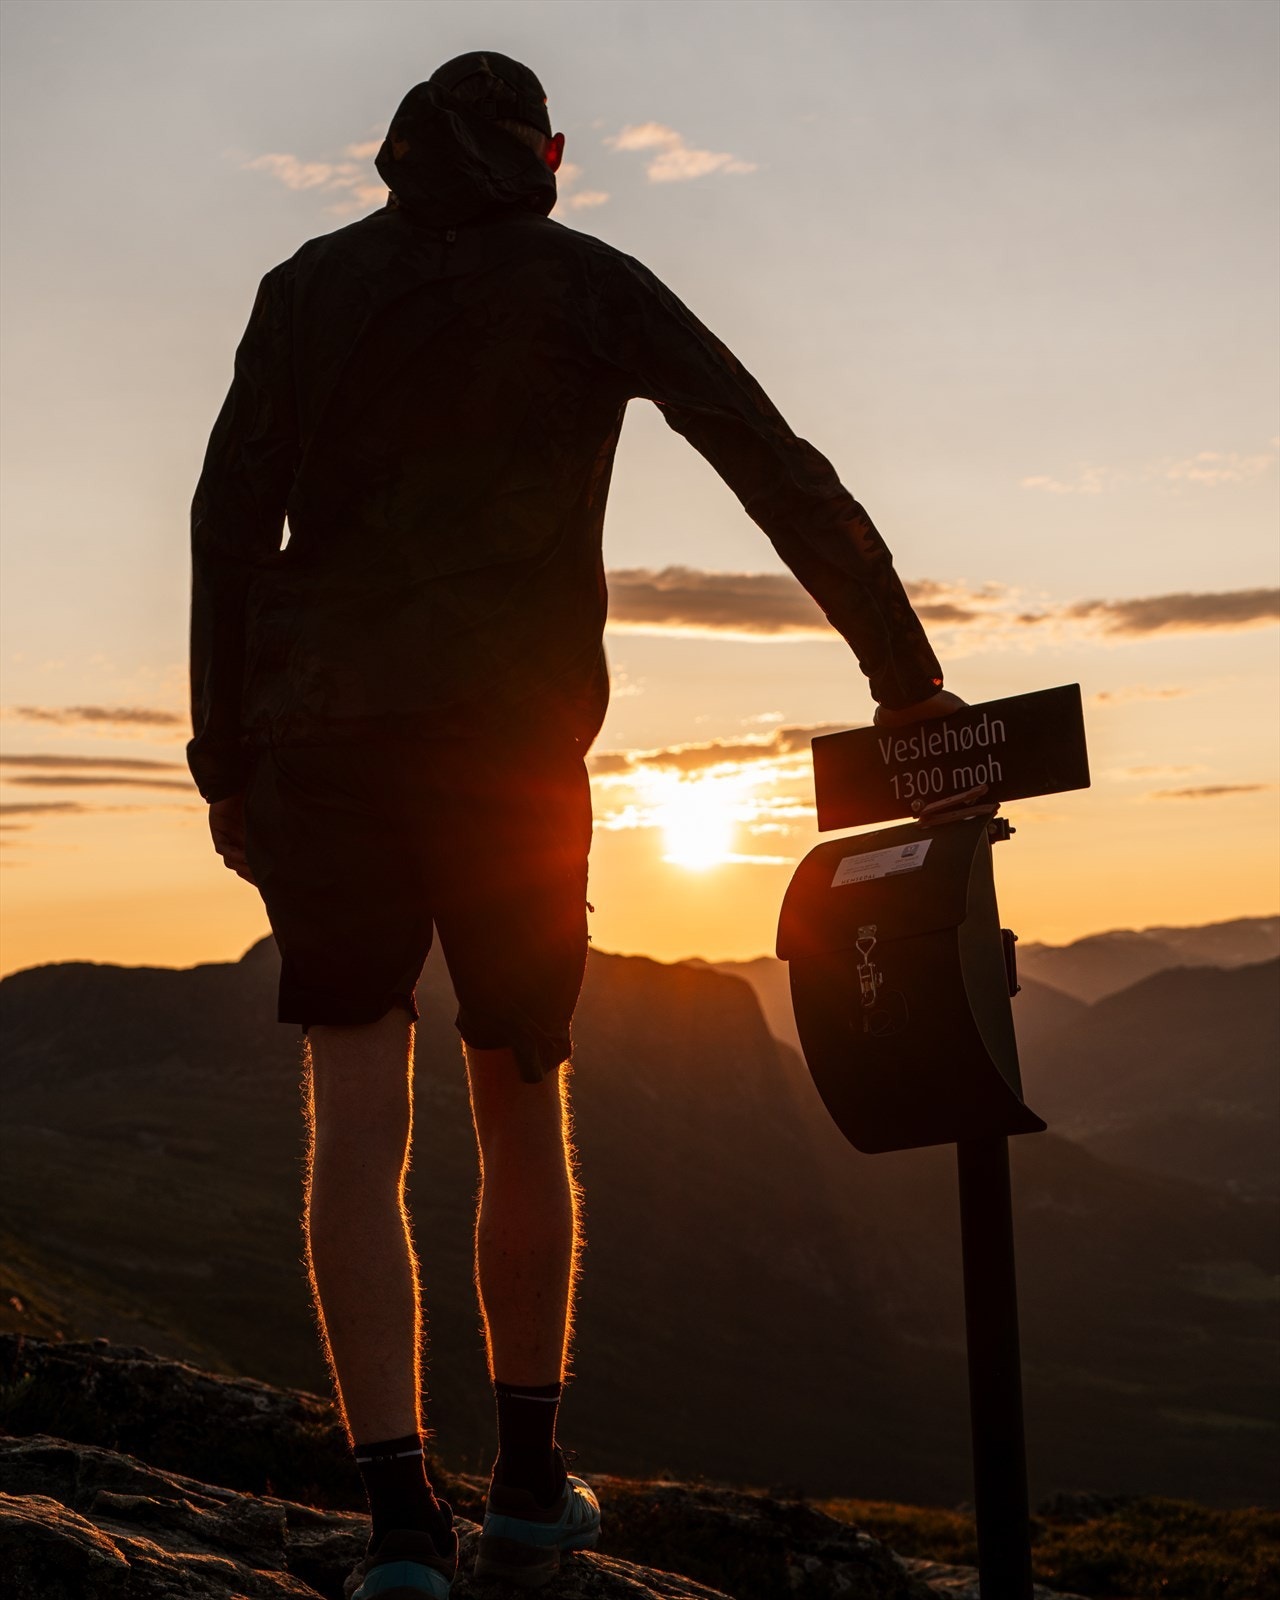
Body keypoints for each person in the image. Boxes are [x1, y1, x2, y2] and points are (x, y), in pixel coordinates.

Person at [188, 49, 959, 1598]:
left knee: (355, 1121)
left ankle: (399, 1523)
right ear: (538, 152)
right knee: (517, 1092)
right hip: (511, 747)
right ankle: (530, 1484)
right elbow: (770, 463)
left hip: (321, 737)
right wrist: (905, 674)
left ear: (403, 152)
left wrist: (224, 752)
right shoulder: (587, 285)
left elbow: (225, 514)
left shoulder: (307, 286)